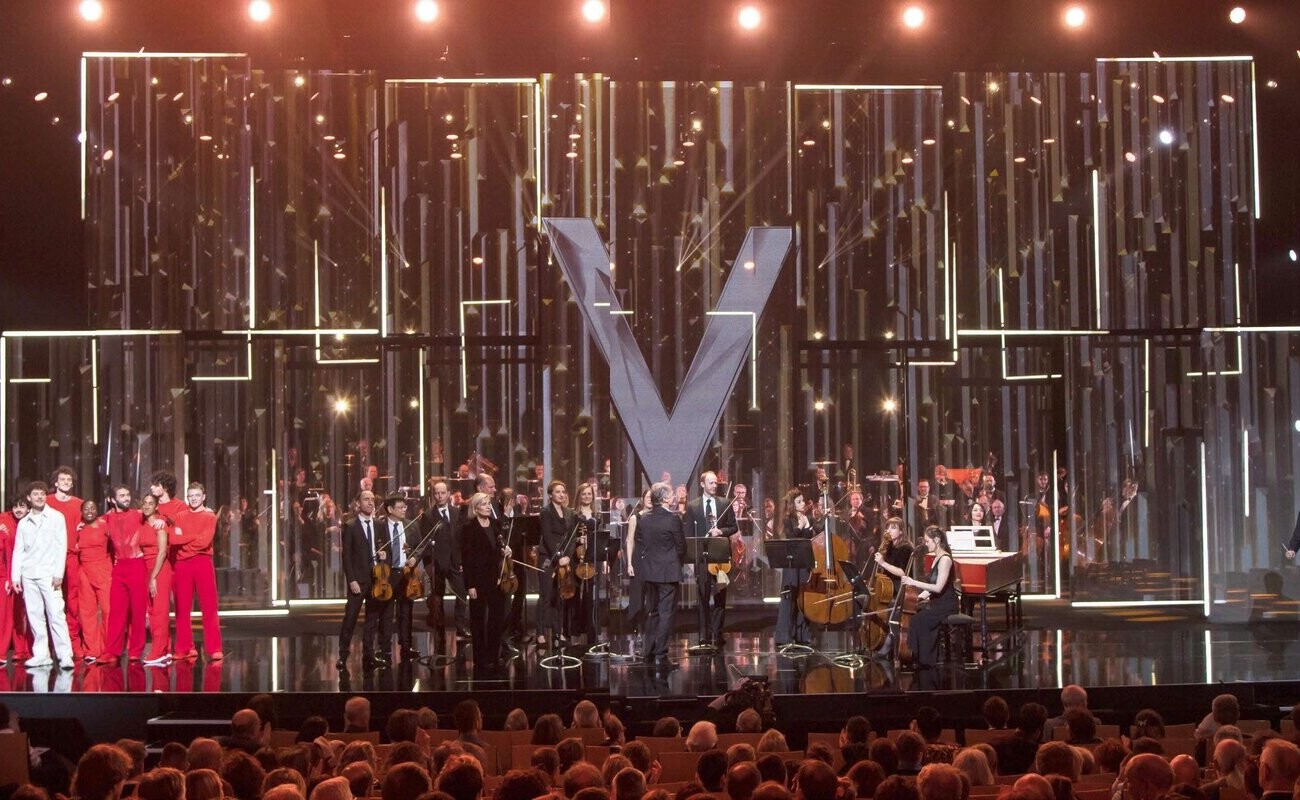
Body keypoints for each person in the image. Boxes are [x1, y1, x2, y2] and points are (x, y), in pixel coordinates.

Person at [11, 481, 75, 669]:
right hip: (29, 574)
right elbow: (18, 551)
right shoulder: (24, 523)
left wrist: (58, 573)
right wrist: (16, 577)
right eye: (35, 494)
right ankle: (41, 654)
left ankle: (65, 655)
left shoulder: (56, 517)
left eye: (42, 494)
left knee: (56, 614)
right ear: (29, 498)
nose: (39, 497)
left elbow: (61, 546)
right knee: (35, 615)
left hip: (49, 574)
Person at [879, 525, 957, 668]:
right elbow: (930, 589)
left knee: (917, 620)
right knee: (911, 615)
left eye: (927, 541)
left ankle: (924, 660)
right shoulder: (936, 558)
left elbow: (938, 588)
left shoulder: (945, 559)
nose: (926, 544)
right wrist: (917, 599)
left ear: (937, 540)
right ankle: (915, 656)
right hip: (936, 602)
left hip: (946, 604)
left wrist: (913, 582)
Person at [96, 486, 152, 664]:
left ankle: (136, 650)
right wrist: (83, 525)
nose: (127, 498)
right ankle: (112, 651)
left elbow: (158, 514)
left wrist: (161, 520)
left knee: (138, 610)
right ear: (113, 500)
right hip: (120, 566)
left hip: (137, 565)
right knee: (116, 612)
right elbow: (91, 523)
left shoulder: (138, 514)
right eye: (122, 495)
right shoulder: (106, 518)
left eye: (128, 495)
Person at [337, 490, 390, 670]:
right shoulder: (350, 526)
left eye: (372, 499)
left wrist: (384, 556)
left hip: (376, 578)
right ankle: (343, 655)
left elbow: (385, 549)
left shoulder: (379, 525)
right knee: (350, 617)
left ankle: (369, 654)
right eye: (366, 499)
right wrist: (351, 580)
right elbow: (346, 557)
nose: (370, 502)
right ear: (358, 503)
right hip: (358, 580)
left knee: (372, 618)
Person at [685, 470, 738, 650]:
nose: (715, 486)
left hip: (721, 557)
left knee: (720, 597)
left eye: (716, 483)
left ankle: (717, 633)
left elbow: (733, 527)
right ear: (702, 484)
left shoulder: (725, 503)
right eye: (711, 483)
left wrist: (720, 531)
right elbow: (689, 535)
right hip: (702, 558)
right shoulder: (692, 506)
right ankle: (703, 635)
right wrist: (691, 561)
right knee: (703, 597)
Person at [170, 482, 223, 661]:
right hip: (182, 564)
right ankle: (183, 648)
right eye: (190, 496)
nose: (193, 499)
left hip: (202, 562)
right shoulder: (179, 516)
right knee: (182, 607)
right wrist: (194, 538)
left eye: (197, 495)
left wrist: (185, 540)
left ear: (203, 497)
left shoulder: (209, 516)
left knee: (209, 606)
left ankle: (214, 648)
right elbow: (173, 539)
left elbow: (205, 542)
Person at [461, 492, 511, 676]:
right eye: (484, 504)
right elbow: (467, 558)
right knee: (478, 620)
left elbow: (499, 547)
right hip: (478, 580)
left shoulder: (496, 525)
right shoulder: (468, 528)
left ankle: (493, 655)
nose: (488, 506)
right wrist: (470, 585)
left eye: (489, 503)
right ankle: (480, 658)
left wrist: (505, 550)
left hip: (496, 578)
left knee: (496, 619)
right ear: (475, 508)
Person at [636, 483, 686, 665]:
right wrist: (674, 561)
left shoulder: (644, 519)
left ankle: (648, 651)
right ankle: (661, 655)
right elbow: (681, 547)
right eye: (671, 494)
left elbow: (641, 542)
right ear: (664, 498)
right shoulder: (673, 519)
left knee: (653, 612)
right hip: (668, 572)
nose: (673, 496)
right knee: (666, 613)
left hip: (649, 572)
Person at [421, 480, 469, 647]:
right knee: (437, 598)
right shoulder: (428, 516)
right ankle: (439, 630)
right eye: (436, 493)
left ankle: (461, 627)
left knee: (461, 594)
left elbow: (462, 538)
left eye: (442, 493)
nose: (439, 496)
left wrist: (462, 560)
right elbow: (425, 543)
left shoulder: (457, 512)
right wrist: (429, 566)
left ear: (448, 494)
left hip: (455, 562)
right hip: (437, 563)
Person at [45, 466, 86, 661]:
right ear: (56, 482)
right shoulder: (47, 501)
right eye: (63, 479)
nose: (66, 482)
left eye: (69, 480)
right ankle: (50, 645)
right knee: (50, 600)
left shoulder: (79, 503)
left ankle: (73, 643)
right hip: (50, 557)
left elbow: (86, 526)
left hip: (71, 557)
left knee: (72, 601)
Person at [145, 471, 185, 665]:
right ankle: (164, 648)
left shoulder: (179, 506)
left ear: (165, 486)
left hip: (177, 562)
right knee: (156, 608)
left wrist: (168, 520)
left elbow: (185, 524)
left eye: (156, 484)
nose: (152, 487)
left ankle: (181, 648)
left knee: (178, 607)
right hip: (160, 563)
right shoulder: (153, 507)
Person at [774, 489, 818, 647]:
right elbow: (791, 537)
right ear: (792, 504)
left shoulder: (808, 518)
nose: (803, 503)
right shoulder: (788, 520)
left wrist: (811, 524)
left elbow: (812, 536)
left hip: (804, 563)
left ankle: (802, 635)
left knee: (803, 598)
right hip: (792, 564)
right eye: (799, 501)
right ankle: (784, 636)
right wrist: (801, 526)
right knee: (789, 597)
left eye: (803, 501)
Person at [539, 480, 577, 648]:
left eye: (563, 491)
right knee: (546, 595)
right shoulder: (546, 512)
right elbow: (548, 537)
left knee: (559, 595)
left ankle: (557, 631)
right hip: (548, 557)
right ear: (550, 495)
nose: (561, 494)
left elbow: (571, 537)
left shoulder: (568, 512)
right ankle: (540, 632)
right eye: (557, 492)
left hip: (564, 558)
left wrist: (568, 555)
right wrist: (559, 556)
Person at [76, 498, 112, 663]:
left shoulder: (105, 525)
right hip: (84, 570)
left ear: (97, 510)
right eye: (86, 509)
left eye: (92, 508)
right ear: (81, 512)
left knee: (107, 610)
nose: (89, 511)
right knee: (86, 611)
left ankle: (108, 648)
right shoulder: (79, 528)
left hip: (103, 569)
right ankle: (92, 649)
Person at [0, 496, 34, 664]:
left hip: (28, 571)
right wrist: (9, 577)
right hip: (9, 573)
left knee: (28, 612)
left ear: (28, 508)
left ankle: (26, 650)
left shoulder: (33, 521)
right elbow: (6, 550)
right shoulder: (4, 520)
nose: (19, 510)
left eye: (22, 506)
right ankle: (9, 651)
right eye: (15, 507)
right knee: (9, 613)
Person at [570, 482, 601, 644]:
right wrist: (577, 540)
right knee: (576, 594)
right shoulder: (574, 514)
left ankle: (591, 629)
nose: (587, 496)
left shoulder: (597, 515)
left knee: (590, 596)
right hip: (578, 556)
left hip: (592, 557)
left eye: (589, 494)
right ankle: (575, 630)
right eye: (584, 494)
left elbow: (600, 536)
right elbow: (570, 536)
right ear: (579, 496)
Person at [623, 488, 654, 644]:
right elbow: (630, 541)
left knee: (652, 596)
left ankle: (651, 630)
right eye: (647, 497)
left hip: (654, 560)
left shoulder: (658, 517)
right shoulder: (635, 517)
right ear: (642, 499)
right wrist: (629, 563)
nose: (649, 499)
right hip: (639, 560)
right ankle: (639, 630)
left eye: (652, 497)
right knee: (638, 596)